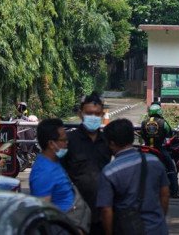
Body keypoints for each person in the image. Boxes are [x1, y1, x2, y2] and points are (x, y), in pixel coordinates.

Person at [97, 118, 170, 235]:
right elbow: (165, 194)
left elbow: (106, 210)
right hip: (157, 229)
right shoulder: (155, 162)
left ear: (111, 143)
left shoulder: (109, 172)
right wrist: (159, 220)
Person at [61, 92, 112, 235]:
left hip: (102, 211)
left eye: (97, 114)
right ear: (81, 114)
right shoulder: (69, 141)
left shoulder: (108, 142)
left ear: (102, 114)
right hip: (75, 211)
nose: (93, 117)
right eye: (89, 113)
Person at [29, 118, 75, 213]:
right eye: (63, 140)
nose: (67, 143)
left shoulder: (55, 162)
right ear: (51, 144)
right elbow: (44, 212)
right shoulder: (43, 173)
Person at [140, 103, 179, 199]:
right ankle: (174, 192)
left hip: (146, 149)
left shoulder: (144, 122)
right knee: (171, 168)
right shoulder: (163, 122)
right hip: (159, 149)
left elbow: (142, 134)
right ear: (159, 112)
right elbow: (170, 133)